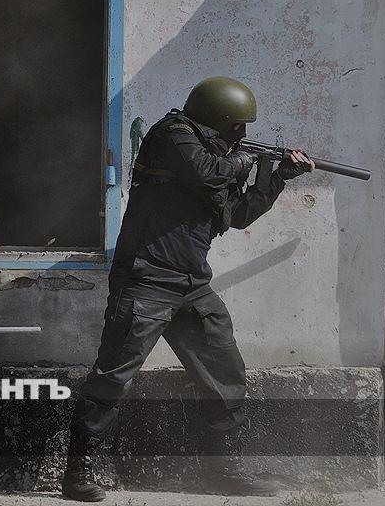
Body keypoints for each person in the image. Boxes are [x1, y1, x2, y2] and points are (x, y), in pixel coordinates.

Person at [62, 77, 315, 502]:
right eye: (237, 127)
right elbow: (205, 170)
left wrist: (277, 176)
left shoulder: (220, 157)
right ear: (218, 118)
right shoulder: (174, 135)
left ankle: (224, 470)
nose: (241, 136)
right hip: (146, 277)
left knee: (225, 371)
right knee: (113, 376)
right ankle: (79, 472)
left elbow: (238, 214)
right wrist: (244, 161)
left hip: (192, 282)